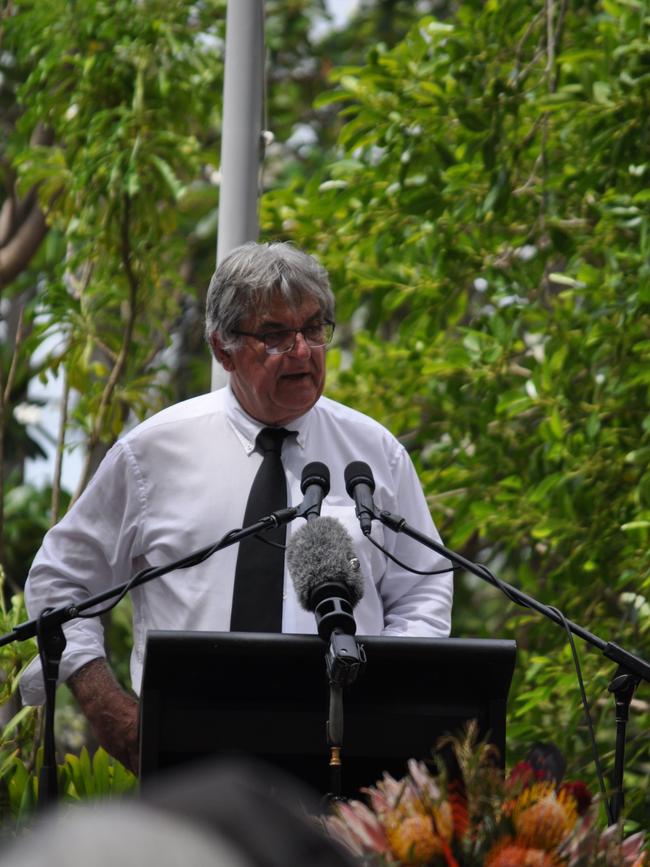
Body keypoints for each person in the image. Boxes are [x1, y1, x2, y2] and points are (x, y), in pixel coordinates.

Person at [20, 242, 453, 773]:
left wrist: (386, 700)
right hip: (188, 759)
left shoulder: (374, 454)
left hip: (343, 754)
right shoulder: (151, 455)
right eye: (274, 335)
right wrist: (108, 707)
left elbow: (425, 586)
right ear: (222, 350)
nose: (302, 350)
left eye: (314, 328)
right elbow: (62, 583)